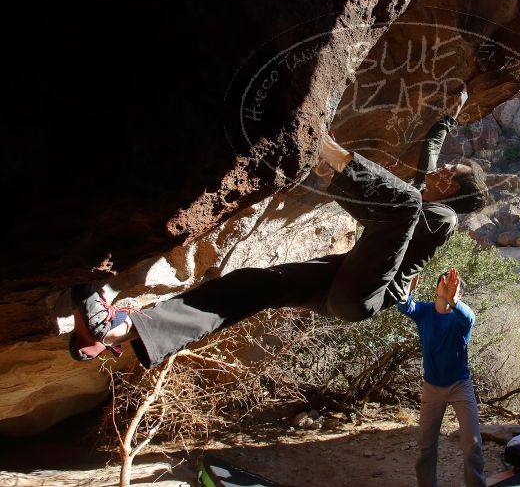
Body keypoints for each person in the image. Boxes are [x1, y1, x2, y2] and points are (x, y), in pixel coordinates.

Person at [69, 93, 489, 368]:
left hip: (364, 296)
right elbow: (429, 152)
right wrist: (451, 114)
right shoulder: (425, 194)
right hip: (341, 281)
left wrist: (338, 171)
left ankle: (323, 144)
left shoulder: (442, 218)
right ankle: (116, 328)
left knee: (405, 203)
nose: (442, 168)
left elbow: (398, 216)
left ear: (451, 187)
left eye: (451, 171)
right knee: (252, 285)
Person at [398, 268, 485, 487]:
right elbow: (404, 305)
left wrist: (453, 300)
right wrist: (409, 286)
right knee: (426, 445)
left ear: (459, 294)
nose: (445, 286)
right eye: (443, 283)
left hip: (460, 385)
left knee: (472, 444)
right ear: (437, 287)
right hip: (432, 387)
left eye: (451, 286)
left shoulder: (459, 319)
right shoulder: (425, 312)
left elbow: (470, 318)